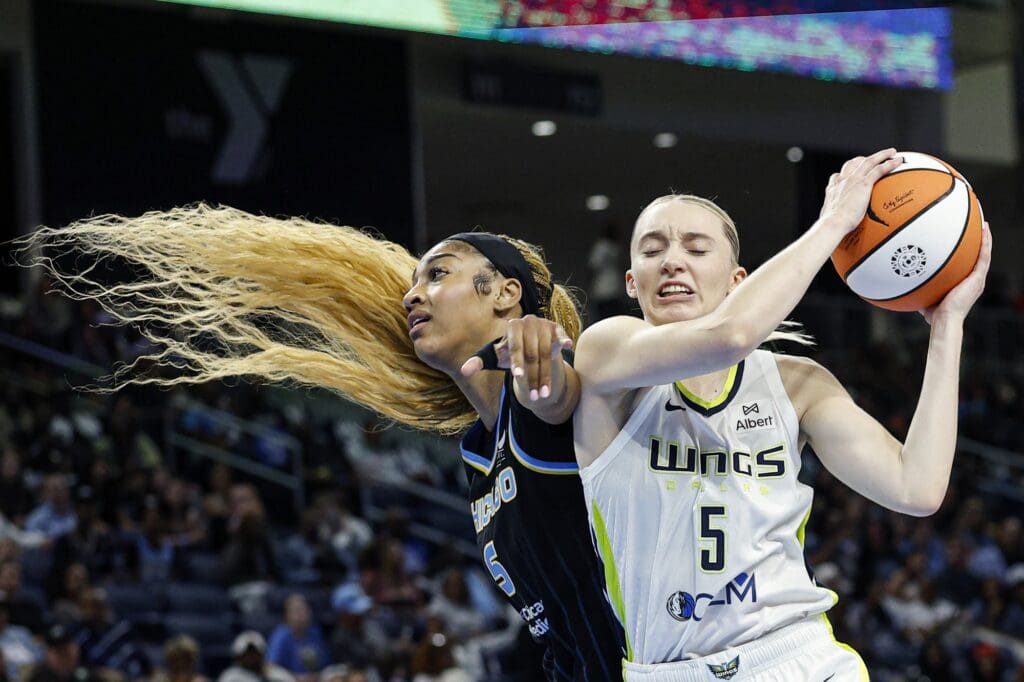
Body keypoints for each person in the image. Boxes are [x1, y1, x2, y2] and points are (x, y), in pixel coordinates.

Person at [16, 209, 625, 680]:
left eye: (438, 273)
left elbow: (559, 391)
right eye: (412, 283)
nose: (413, 295)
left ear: (506, 293)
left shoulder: (548, 384)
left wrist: (544, 350)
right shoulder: (474, 453)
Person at [571, 150, 991, 680]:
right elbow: (730, 335)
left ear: (738, 280)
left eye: (697, 248)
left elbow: (917, 487)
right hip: (669, 669)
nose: (672, 260)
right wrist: (835, 222)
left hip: (798, 658)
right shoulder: (606, 354)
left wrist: (946, 325)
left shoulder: (796, 383)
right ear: (631, 282)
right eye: (653, 250)